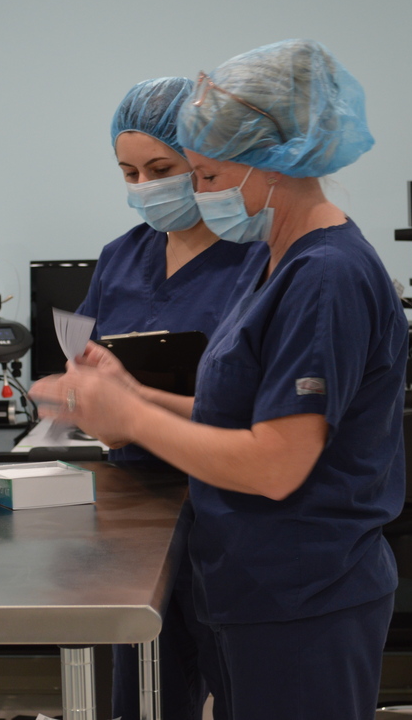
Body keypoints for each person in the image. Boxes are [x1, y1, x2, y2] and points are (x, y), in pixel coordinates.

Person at [33, 40, 407, 720]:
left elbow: (275, 464)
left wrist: (134, 421)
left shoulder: (325, 275)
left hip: (304, 590)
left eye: (204, 176)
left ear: (272, 162)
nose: (198, 196)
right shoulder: (282, 261)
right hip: (252, 578)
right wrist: (133, 391)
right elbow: (243, 409)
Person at [78, 76, 260, 720]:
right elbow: (86, 358)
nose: (144, 186)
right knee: (146, 697)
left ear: (204, 162)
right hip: (137, 511)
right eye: (128, 171)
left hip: (232, 512)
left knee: (246, 686)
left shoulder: (261, 258)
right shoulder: (120, 258)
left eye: (161, 168)